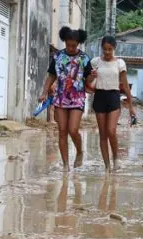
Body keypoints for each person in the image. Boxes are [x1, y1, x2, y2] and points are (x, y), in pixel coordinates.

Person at [39, 27, 92, 172]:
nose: (71, 48)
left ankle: (79, 151)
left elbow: (89, 80)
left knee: (73, 129)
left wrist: (93, 76)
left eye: (74, 45)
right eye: (68, 45)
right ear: (65, 42)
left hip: (77, 98)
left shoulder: (84, 58)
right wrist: (44, 92)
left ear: (78, 43)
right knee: (62, 130)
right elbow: (51, 76)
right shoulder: (57, 57)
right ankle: (66, 165)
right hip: (61, 98)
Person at [88, 36, 135, 172]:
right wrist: (91, 75)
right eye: (105, 49)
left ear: (114, 48)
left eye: (110, 49)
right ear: (101, 48)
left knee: (111, 131)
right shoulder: (95, 62)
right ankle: (107, 166)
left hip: (114, 96)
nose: (107, 52)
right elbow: (88, 80)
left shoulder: (120, 63)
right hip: (99, 96)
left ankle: (115, 158)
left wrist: (131, 106)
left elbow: (125, 86)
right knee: (103, 134)